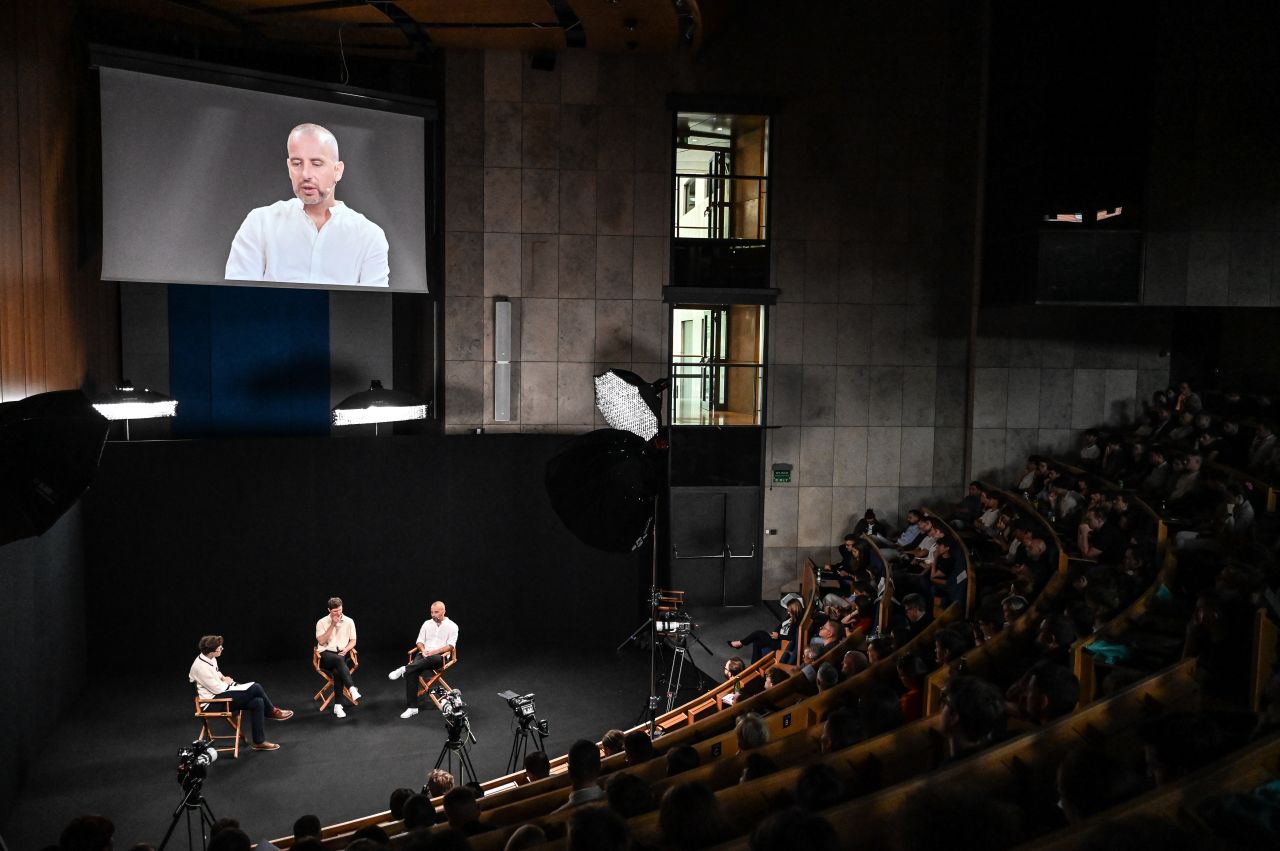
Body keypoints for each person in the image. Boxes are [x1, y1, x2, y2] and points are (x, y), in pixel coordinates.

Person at [225, 123, 389, 287]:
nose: (306, 174)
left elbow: (373, 307)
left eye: (317, 164)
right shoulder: (260, 223)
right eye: (297, 163)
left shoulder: (369, 236)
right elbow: (237, 299)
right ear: (289, 168)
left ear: (337, 171)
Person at [189, 634, 293, 751]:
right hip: (212, 704)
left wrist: (232, 683)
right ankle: (271, 711)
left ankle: (259, 742)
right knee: (256, 687)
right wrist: (229, 683)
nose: (222, 648)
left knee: (258, 702)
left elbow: (219, 675)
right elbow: (217, 689)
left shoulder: (210, 659)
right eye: (220, 648)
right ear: (211, 651)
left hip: (219, 695)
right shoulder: (200, 667)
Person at [388, 600, 459, 719]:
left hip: (439, 657)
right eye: (432, 612)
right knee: (412, 672)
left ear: (443, 611)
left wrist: (433, 652)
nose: (433, 615)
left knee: (423, 662)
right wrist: (424, 649)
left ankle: (404, 669)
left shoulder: (452, 626)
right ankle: (412, 708)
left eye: (436, 612)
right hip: (424, 654)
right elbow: (419, 641)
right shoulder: (426, 624)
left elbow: (451, 646)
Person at [315, 596, 361, 718]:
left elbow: (353, 640)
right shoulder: (321, 622)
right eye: (335, 611)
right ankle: (351, 688)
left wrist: (346, 649)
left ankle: (338, 706)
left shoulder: (349, 621)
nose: (338, 613)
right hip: (325, 655)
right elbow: (321, 641)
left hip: (342, 653)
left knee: (337, 671)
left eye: (340, 610)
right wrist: (333, 625)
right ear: (329, 610)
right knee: (339, 661)